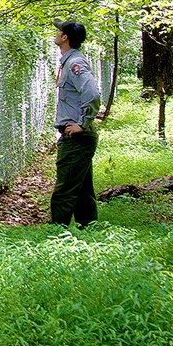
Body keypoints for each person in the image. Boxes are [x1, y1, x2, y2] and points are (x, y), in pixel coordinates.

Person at [51, 18, 102, 227]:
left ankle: (56, 237)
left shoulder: (75, 63)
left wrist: (82, 122)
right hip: (77, 136)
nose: (56, 34)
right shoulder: (70, 61)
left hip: (77, 137)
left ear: (65, 37)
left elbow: (92, 93)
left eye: (59, 31)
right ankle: (90, 230)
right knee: (82, 191)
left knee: (64, 192)